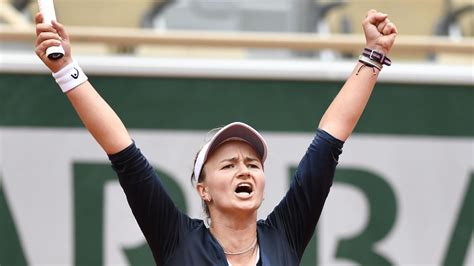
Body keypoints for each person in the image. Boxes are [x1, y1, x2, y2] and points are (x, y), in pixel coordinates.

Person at [34, 9, 397, 266]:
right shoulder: (178, 239)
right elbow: (123, 152)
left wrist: (374, 54)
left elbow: (329, 142)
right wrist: (66, 70)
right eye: (229, 164)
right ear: (203, 189)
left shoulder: (284, 234)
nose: (245, 170)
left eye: (252, 164)